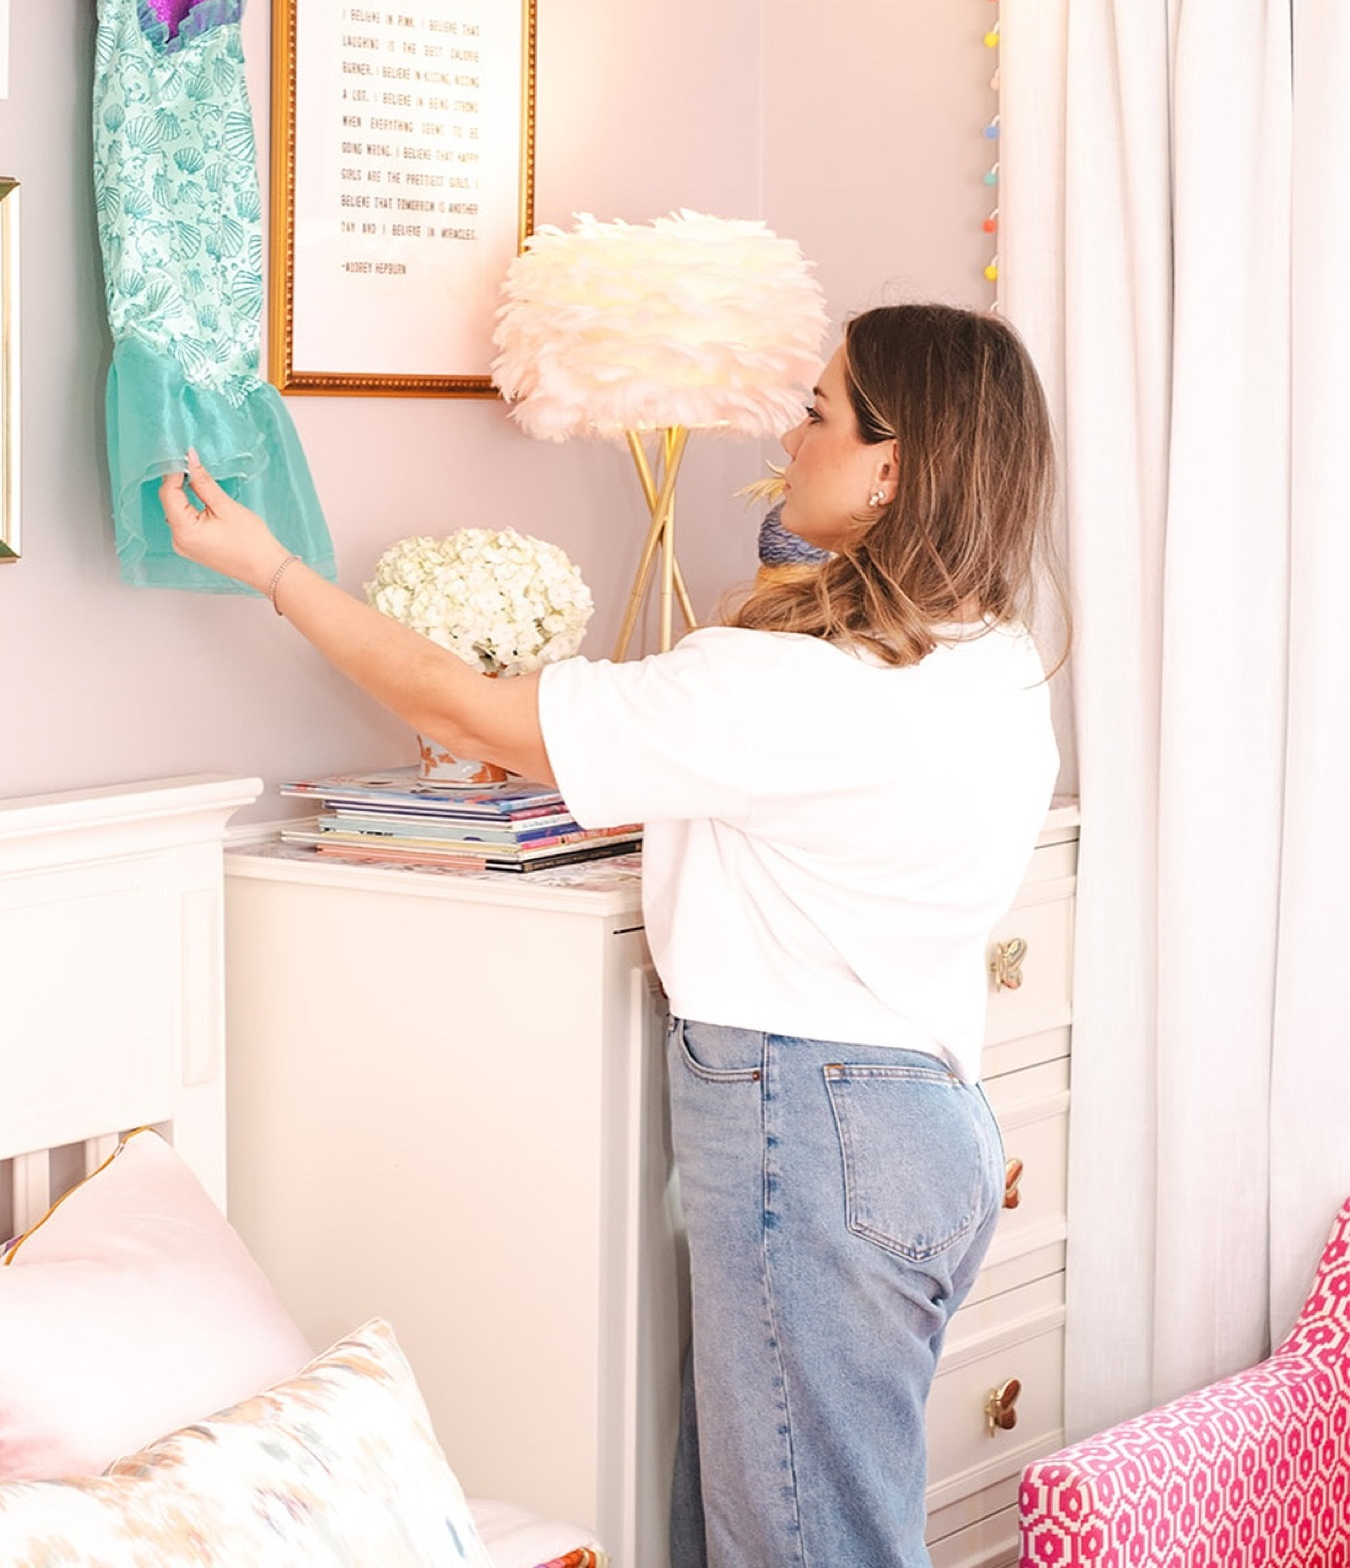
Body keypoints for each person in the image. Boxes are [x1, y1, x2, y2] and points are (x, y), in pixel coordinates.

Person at [159, 301, 1062, 1568]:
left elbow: (467, 711)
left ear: (893, 466)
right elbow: (802, 592)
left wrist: (273, 569)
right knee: (785, 1526)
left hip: (814, 1130)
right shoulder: (994, 661)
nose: (785, 439)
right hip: (926, 1128)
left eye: (817, 413)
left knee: (803, 1547)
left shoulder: (786, 688)